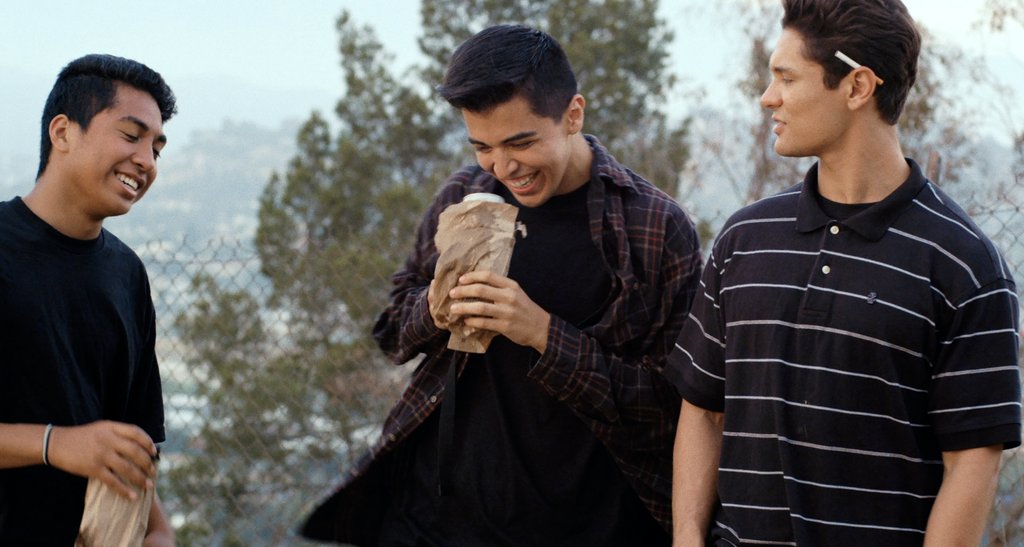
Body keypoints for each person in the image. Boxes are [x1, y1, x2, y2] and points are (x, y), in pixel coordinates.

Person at [301, 24, 703, 545]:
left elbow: (669, 411)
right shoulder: (465, 193)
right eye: (482, 147)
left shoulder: (653, 227)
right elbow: (392, 333)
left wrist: (542, 334)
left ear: (573, 115)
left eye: (521, 142)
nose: (504, 166)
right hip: (434, 518)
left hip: (588, 526)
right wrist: (434, 308)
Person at [666, 0, 1022, 545]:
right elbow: (703, 410)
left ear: (857, 86)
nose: (768, 97)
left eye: (787, 77)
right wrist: (687, 536)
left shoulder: (964, 265)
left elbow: (972, 463)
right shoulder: (744, 240)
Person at [0, 54, 177, 545]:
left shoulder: (127, 274)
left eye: (156, 148)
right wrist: (54, 444)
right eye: (131, 135)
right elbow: (80, 445)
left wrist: (158, 531)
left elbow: (127, 445)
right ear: (63, 133)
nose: (146, 161)